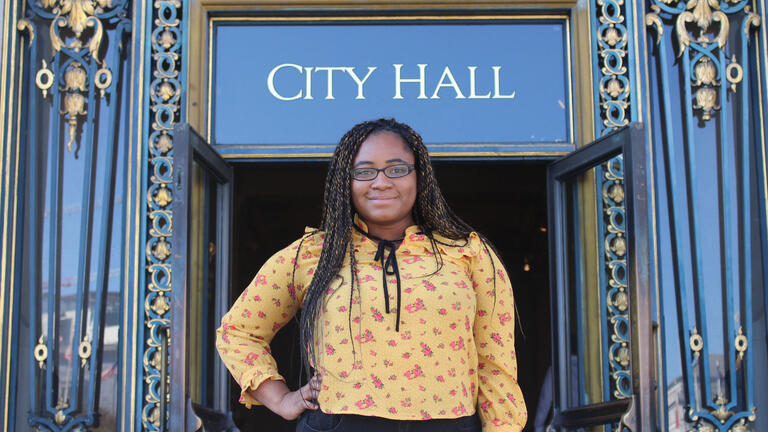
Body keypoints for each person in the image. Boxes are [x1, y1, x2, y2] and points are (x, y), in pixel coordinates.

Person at [216, 118, 527, 431]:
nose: (381, 182)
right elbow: (238, 332)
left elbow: (495, 362)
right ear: (345, 182)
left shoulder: (468, 253)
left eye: (396, 169)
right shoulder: (314, 253)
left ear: (420, 176)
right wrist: (282, 399)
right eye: (364, 172)